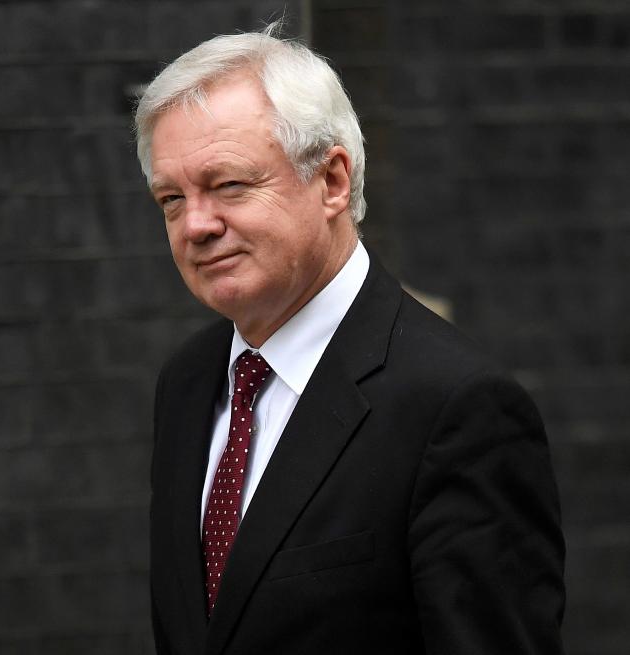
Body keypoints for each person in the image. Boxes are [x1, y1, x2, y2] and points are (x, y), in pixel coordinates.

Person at [134, 23, 565, 655]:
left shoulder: (455, 408)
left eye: (228, 185)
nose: (196, 225)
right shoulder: (189, 383)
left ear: (333, 180)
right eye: (171, 199)